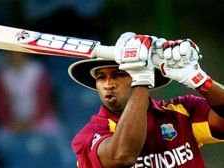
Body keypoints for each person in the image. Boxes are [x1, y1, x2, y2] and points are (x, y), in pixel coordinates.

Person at [68, 32, 224, 168]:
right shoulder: (88, 136)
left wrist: (201, 80)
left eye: (119, 74)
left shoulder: (181, 111)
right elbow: (123, 156)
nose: (108, 85)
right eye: (101, 78)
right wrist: (141, 78)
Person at [0, 51, 69, 168]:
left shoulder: (38, 71)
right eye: (11, 54)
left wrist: (33, 121)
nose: (14, 57)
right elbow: (0, 104)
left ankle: (69, 163)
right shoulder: (2, 75)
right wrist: (11, 122)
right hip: (13, 123)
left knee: (60, 134)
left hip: (40, 119)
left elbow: (45, 100)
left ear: (24, 54)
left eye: (17, 54)